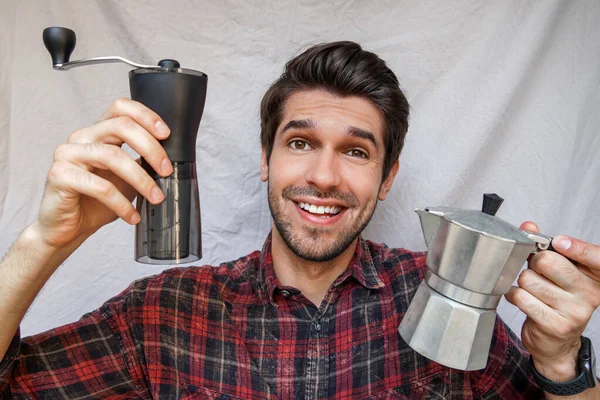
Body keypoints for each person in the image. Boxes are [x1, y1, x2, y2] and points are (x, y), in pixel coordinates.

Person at [0, 41, 599, 399]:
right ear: (265, 159)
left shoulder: (449, 294)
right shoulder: (162, 315)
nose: (326, 177)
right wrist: (41, 243)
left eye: (357, 152)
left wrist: (560, 362)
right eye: (301, 142)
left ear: (388, 178)